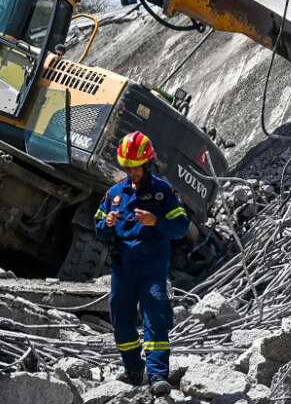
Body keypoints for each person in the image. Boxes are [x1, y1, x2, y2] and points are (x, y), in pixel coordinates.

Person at [94, 131, 189, 396]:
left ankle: (158, 375)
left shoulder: (163, 192)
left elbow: (181, 227)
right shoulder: (114, 193)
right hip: (123, 268)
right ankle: (134, 370)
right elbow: (99, 229)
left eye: (134, 167)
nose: (130, 171)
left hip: (152, 267)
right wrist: (107, 224)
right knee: (122, 321)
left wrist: (156, 221)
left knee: (155, 318)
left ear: (146, 163)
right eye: (127, 167)